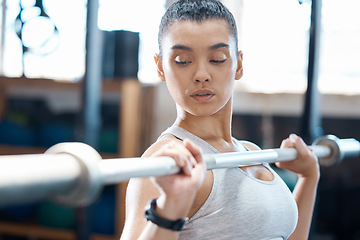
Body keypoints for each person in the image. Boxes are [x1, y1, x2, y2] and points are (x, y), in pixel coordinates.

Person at [120, 0, 319, 239]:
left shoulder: (249, 151)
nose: (201, 75)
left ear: (239, 65)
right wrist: (169, 207)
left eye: (217, 58)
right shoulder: (164, 164)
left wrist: (309, 178)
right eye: (183, 61)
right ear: (160, 67)